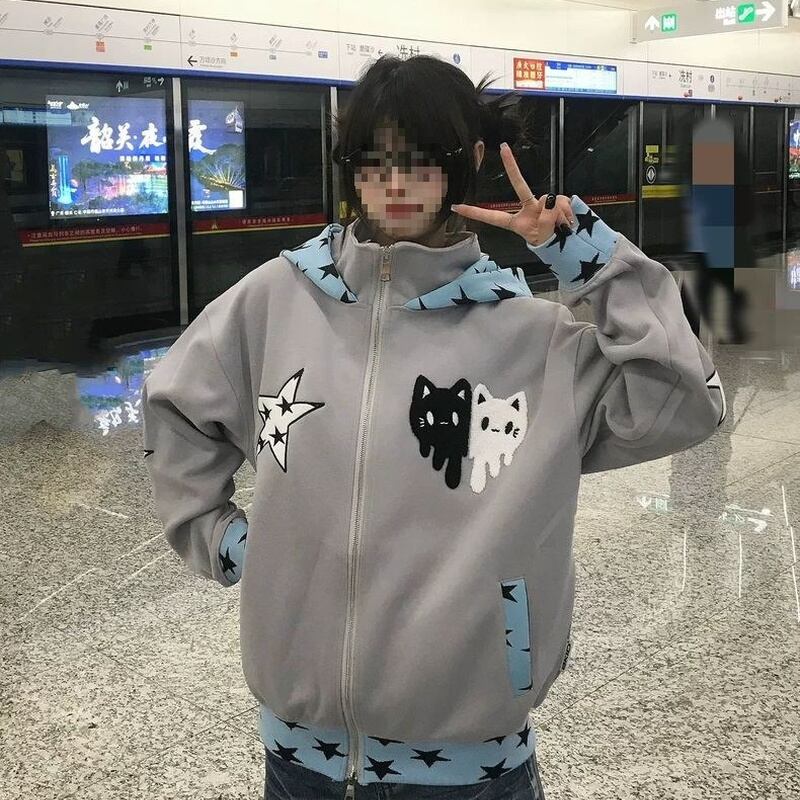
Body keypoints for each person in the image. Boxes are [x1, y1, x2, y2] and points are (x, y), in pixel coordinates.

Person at [141, 54, 727, 800]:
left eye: (419, 161)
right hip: (298, 760)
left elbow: (685, 399)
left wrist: (583, 254)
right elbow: (176, 408)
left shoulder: (535, 339)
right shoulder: (275, 301)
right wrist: (230, 544)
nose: (393, 184)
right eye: (373, 161)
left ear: (468, 161)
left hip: (471, 766)